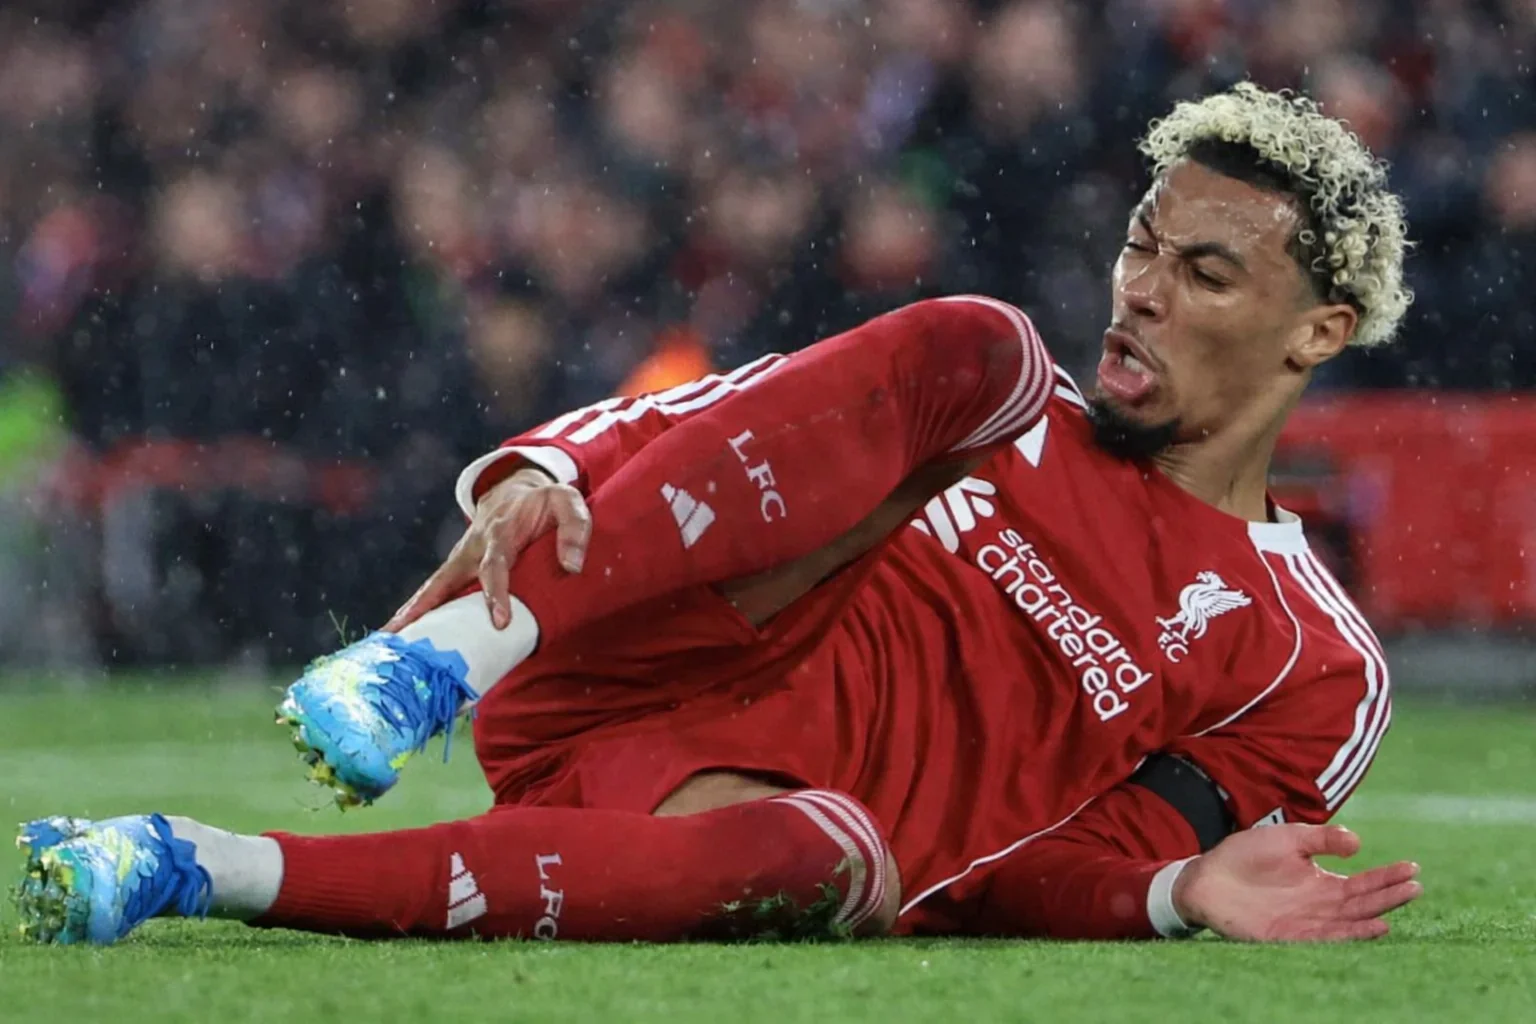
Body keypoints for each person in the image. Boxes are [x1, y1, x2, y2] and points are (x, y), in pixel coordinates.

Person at [15, 83, 1422, 946]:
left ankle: (187, 863)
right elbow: (716, 406)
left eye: (1206, 273)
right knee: (985, 349)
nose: (1141, 289)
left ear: (1320, 331)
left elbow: (1058, 874)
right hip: (611, 643)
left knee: (833, 856)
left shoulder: (1315, 665)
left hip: (737, 826)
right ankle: (437, 668)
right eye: (1138, 244)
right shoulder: (1001, 402)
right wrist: (552, 471)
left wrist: (1176, 897)